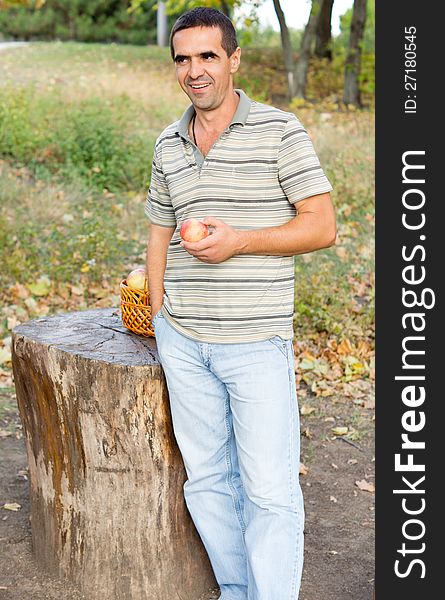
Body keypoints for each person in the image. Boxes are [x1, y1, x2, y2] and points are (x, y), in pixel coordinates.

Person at [145, 7, 336, 600]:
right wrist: (159, 316)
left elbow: (322, 226)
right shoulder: (168, 143)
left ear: (233, 60)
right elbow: (157, 231)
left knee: (268, 488)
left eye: (207, 56)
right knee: (205, 481)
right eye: (183, 58)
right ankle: (235, 588)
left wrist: (242, 241)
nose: (194, 71)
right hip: (184, 340)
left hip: (255, 341)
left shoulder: (281, 130)